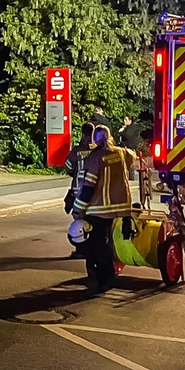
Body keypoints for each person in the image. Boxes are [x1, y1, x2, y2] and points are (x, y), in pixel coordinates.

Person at [72, 124, 138, 293]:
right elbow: (133, 155)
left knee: (96, 245)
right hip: (120, 208)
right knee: (108, 243)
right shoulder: (121, 153)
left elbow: (88, 187)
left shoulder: (95, 157)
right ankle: (107, 275)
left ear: (94, 139)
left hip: (98, 210)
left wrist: (78, 208)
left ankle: (103, 278)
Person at [63, 122, 96, 258]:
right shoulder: (97, 150)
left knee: (79, 222)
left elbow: (68, 167)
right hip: (94, 192)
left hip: (79, 192)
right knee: (92, 221)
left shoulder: (76, 151)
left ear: (82, 134)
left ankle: (81, 250)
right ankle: (93, 248)